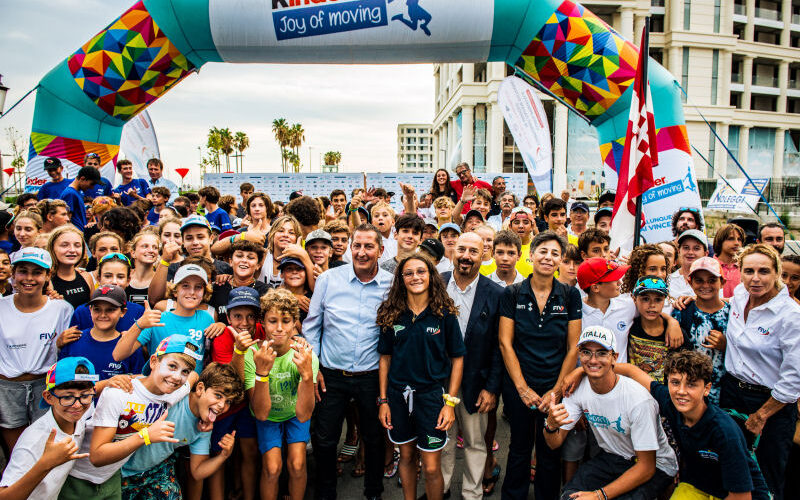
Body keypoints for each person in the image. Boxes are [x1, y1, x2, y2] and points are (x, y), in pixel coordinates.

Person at [303, 223, 392, 500]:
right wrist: (314, 366)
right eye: (357, 246)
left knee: (374, 439)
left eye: (369, 246)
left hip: (372, 376)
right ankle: (326, 492)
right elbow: (312, 326)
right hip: (331, 374)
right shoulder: (329, 279)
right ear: (350, 247)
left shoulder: (392, 284)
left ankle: (374, 492)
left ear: (381, 249)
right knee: (325, 439)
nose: (362, 252)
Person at [608, 352, 771, 500]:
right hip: (699, 485)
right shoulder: (671, 404)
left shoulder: (724, 432)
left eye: (691, 384)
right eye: (675, 382)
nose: (681, 391)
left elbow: (742, 496)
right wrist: (596, 366)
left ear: (707, 389)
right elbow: (633, 372)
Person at [544, 326, 678, 499]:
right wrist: (550, 425)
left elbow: (647, 467)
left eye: (601, 353)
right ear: (579, 355)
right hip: (614, 457)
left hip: (657, 465)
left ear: (614, 357)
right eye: (586, 352)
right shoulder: (576, 390)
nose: (593, 360)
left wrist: (599, 495)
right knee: (571, 496)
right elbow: (554, 443)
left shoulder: (638, 400)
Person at [498, 231, 581, 500]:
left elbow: (573, 348)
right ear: (530, 255)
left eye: (555, 253)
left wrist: (555, 391)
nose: (548, 257)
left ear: (560, 260)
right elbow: (505, 344)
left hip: (555, 384)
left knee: (549, 448)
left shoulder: (570, 295)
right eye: (542, 251)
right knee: (520, 446)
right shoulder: (512, 293)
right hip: (519, 385)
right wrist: (522, 389)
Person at [377, 254, 465, 500]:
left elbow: (458, 357)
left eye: (421, 271)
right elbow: (385, 358)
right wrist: (383, 401)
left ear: (431, 276)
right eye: (409, 273)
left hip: (431, 397)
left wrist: (450, 404)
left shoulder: (444, 313)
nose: (415, 277)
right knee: (405, 457)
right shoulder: (391, 312)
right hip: (397, 396)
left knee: (431, 465)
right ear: (401, 279)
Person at [721, 243, 800, 499]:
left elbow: (793, 377)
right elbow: (723, 303)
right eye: (749, 270)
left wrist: (762, 415)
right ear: (740, 272)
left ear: (777, 273)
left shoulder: (791, 315)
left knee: (765, 476)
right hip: (732, 393)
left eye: (764, 271)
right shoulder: (741, 296)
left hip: (770, 403)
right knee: (733, 467)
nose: (755, 278)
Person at [439, 233, 504, 498]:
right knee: (443, 440)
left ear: (483, 254)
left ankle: (472, 493)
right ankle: (439, 489)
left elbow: (502, 347)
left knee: (476, 443)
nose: (466, 256)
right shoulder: (436, 284)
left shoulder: (498, 294)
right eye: (461, 249)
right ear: (453, 250)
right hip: (439, 380)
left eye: (473, 251)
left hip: (477, 382)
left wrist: (491, 388)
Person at [237, 288, 318, 500]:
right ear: (262, 322)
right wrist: (262, 373)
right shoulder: (252, 355)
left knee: (298, 464)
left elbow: (303, 414)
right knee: (272, 468)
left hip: (294, 413)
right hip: (268, 417)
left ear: (295, 323)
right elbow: (261, 414)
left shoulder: (305, 355)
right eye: (272, 321)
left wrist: (307, 376)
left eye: (286, 320)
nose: (280, 328)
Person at [0, 248, 73, 452]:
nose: (29, 278)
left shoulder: (62, 309)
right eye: (23, 271)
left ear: (48, 275)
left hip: (45, 386)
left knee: (43, 449)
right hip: (7, 388)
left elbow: (66, 350)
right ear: (13, 275)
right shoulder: (1, 307)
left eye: (37, 272)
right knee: (17, 454)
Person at [0, 357, 97, 500]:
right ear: (48, 397)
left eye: (84, 395)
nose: (77, 405)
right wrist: (46, 463)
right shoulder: (33, 441)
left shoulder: (79, 413)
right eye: (68, 397)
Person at [115, 263, 220, 373]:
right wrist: (139, 325)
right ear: (175, 290)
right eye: (185, 286)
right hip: (159, 386)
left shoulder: (207, 319)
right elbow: (118, 355)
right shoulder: (158, 319)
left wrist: (221, 326)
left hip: (191, 387)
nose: (192, 292)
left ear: (204, 292)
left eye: (198, 287)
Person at [670, 257, 729, 404]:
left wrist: (726, 345)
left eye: (712, 280)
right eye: (699, 280)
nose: (705, 285)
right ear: (690, 282)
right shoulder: (681, 311)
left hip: (725, 393)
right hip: (690, 393)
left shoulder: (734, 313)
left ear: (722, 282)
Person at [149, 215, 233, 304]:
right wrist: (164, 261)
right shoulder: (174, 269)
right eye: (189, 238)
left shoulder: (225, 268)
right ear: (183, 241)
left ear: (211, 238)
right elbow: (154, 299)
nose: (195, 242)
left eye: (200, 237)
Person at [578, 257, 635, 361]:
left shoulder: (629, 305)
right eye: (614, 279)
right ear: (595, 288)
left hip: (620, 376)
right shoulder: (576, 312)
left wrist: (671, 321)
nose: (620, 283)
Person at [47, 226, 95, 310]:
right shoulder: (46, 280)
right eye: (64, 245)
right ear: (52, 248)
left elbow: (94, 309)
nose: (72, 250)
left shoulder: (86, 277)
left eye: (77, 245)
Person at [670, 229, 709, 299]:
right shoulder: (669, 280)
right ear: (679, 251)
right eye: (686, 248)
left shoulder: (712, 280)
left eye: (696, 248)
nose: (690, 252)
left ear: (706, 254)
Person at [59, 167, 100, 231]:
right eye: (92, 184)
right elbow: (66, 221)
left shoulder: (77, 193)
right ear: (82, 178)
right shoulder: (70, 194)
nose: (92, 187)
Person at [126, 230, 159, 306]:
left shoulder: (161, 280)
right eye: (145, 246)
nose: (151, 250)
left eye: (155, 247)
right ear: (133, 253)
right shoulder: (123, 277)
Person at [713, 223, 745, 298]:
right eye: (731, 239)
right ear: (720, 241)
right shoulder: (710, 265)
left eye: (739, 239)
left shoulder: (745, 267)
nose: (736, 243)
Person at [508, 206, 535, 278]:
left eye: (526, 222)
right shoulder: (503, 249)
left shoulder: (538, 248)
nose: (521, 226)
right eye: (516, 222)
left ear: (532, 227)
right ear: (510, 227)